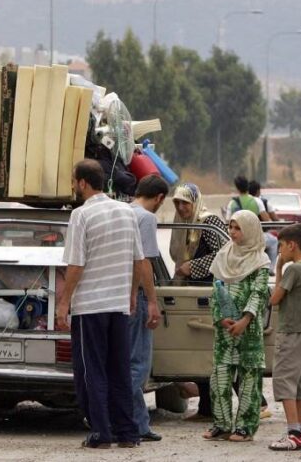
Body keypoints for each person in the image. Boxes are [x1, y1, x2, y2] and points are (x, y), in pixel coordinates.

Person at [56, 159, 144, 449]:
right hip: (118, 305)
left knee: (91, 371)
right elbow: (138, 259)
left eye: (74, 181)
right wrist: (132, 294)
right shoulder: (127, 212)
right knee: (119, 370)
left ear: (83, 183)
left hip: (90, 307)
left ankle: (101, 433)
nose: (73, 185)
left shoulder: (81, 215)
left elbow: (76, 264)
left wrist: (64, 303)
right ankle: (127, 433)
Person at [201, 210, 270, 442]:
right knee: (219, 377)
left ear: (250, 230)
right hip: (225, 330)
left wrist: (245, 320)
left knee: (249, 379)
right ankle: (221, 425)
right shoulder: (223, 255)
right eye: (230, 227)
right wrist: (220, 318)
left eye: (238, 228)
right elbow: (215, 291)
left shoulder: (260, 260)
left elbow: (259, 294)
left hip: (248, 330)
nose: (232, 232)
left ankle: (245, 428)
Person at [169, 182, 228, 420]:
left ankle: (258, 403)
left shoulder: (209, 221)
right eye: (177, 202)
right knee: (198, 349)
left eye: (185, 202)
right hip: (193, 294)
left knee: (214, 349)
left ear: (195, 202)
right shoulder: (183, 224)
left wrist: (193, 266)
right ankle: (206, 408)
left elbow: (225, 254)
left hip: (212, 292)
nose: (181, 207)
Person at [267, 223, 301, 451]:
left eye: (281, 245)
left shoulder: (294, 270)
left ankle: (294, 433)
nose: (279, 251)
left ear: (292, 245)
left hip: (290, 332)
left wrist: (278, 268)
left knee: (285, 379)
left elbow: (274, 299)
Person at [129, 175, 168, 442]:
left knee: (122, 361)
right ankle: (131, 422)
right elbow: (143, 262)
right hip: (137, 295)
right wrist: (152, 301)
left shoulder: (121, 211)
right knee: (139, 364)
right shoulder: (146, 218)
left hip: (115, 296)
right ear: (159, 198)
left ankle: (135, 422)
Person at [249, 180, 279, 270]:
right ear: (258, 191)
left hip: (241, 236)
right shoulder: (261, 202)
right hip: (258, 236)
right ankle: (271, 268)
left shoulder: (236, 202)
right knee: (274, 241)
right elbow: (271, 220)